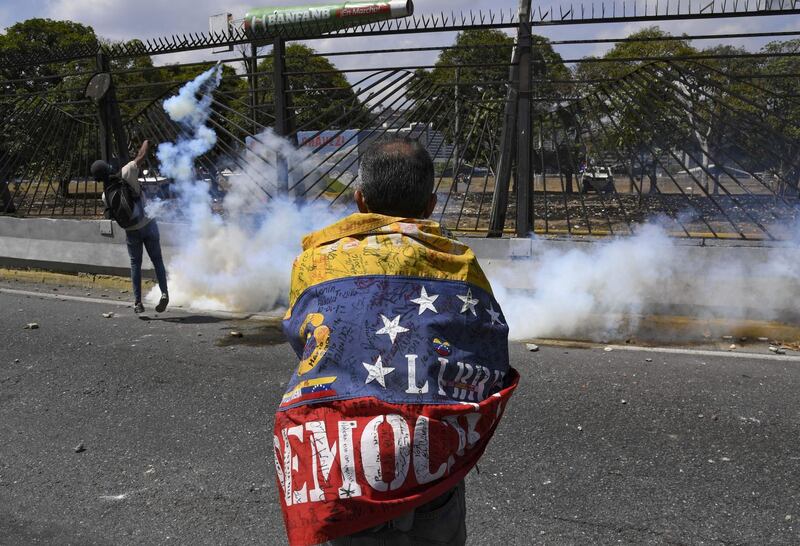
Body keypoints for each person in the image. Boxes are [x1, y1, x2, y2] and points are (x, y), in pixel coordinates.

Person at [275, 137, 519, 546]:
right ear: (430, 205)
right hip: (430, 462)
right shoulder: (459, 263)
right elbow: (485, 351)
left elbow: (309, 345)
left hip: (345, 467)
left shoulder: (315, 262)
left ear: (359, 200)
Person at [91, 140, 168, 314]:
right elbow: (142, 155)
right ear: (109, 168)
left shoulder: (105, 195)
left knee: (135, 264)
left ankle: (137, 302)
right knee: (157, 261)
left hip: (131, 231)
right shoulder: (126, 171)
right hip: (148, 224)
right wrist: (146, 141)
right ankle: (164, 294)